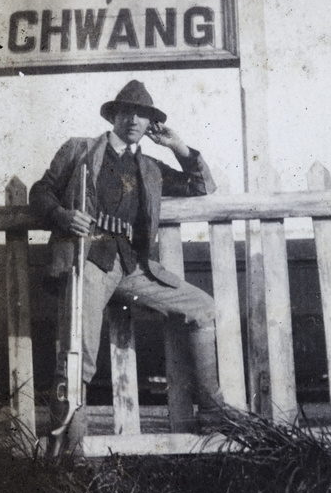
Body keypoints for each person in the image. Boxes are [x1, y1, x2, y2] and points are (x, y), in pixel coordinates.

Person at [29, 80, 226, 455]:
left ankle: (215, 416)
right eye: (128, 111)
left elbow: (203, 185)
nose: (135, 119)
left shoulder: (150, 167)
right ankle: (68, 451)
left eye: (144, 114)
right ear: (114, 115)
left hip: (134, 267)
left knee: (202, 308)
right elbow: (40, 191)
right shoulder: (80, 150)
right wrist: (62, 216)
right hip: (89, 260)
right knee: (78, 351)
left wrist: (177, 145)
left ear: (150, 123)